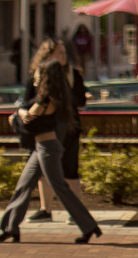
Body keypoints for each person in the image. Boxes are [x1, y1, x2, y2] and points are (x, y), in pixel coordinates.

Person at [0, 57, 102, 245]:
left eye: (37, 73)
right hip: (40, 149)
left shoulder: (48, 98)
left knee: (60, 188)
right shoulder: (47, 96)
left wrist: (17, 117)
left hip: (48, 149)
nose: (34, 76)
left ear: (46, 76)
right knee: (23, 186)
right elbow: (26, 112)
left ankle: (89, 226)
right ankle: (10, 228)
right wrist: (21, 113)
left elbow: (30, 120)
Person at [31, 41, 89, 222]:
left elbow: (81, 100)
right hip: (48, 129)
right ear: (48, 56)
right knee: (44, 169)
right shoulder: (39, 76)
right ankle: (45, 209)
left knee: (70, 169)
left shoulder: (73, 75)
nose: (64, 56)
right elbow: (31, 100)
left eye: (65, 53)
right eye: (59, 53)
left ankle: (75, 212)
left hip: (70, 128)